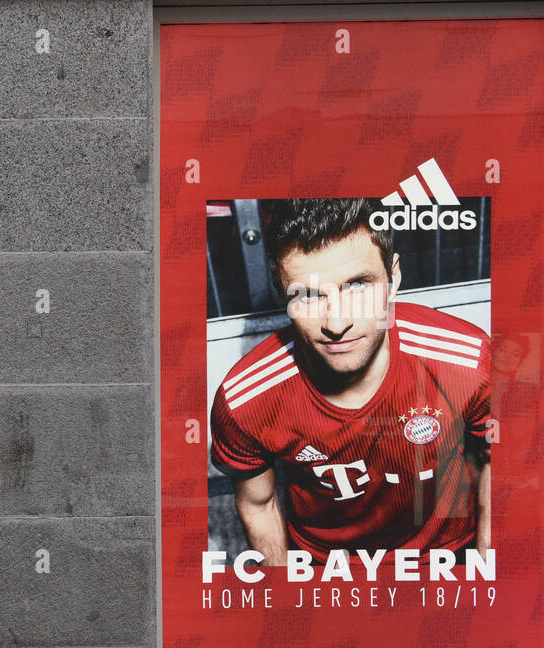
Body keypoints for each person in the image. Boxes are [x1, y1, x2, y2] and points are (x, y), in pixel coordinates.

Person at [210, 198, 491, 563]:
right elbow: (258, 504)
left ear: (394, 277)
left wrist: (488, 574)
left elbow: (497, 464)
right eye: (308, 295)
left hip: (446, 552)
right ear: (282, 294)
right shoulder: (246, 399)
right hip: (328, 564)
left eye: (357, 285)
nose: (337, 323)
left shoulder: (466, 361)